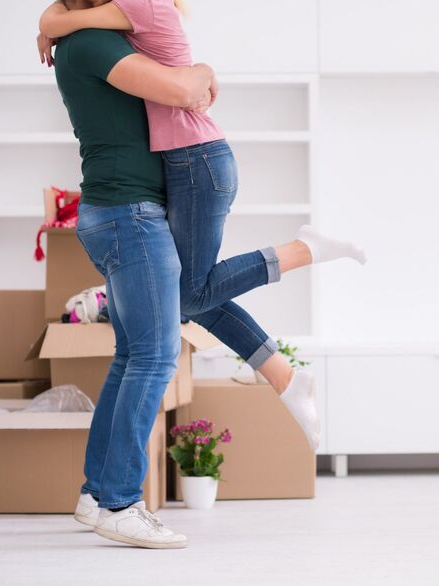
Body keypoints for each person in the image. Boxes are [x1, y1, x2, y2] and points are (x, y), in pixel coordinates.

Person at [39, 1, 366, 451]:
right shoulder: (118, 15)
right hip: (188, 162)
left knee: (188, 295)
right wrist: (51, 27)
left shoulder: (138, 5)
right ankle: (284, 375)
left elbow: (65, 19)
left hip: (197, 161)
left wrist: (49, 29)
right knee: (187, 294)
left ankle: (302, 254)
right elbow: (66, 15)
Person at [46, 9, 214, 548]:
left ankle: (97, 494)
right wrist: (205, 70)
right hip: (130, 215)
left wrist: (49, 24)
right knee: (156, 356)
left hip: (118, 212)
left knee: (132, 355)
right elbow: (182, 88)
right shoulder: (94, 43)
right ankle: (121, 502)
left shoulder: (80, 35)